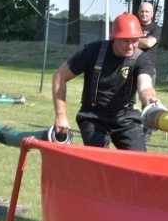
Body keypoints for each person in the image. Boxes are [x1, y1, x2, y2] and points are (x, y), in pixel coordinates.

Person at [52, 13, 160, 151]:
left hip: (125, 118)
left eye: (134, 40)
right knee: (100, 162)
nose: (131, 46)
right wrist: (61, 115)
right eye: (125, 40)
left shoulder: (142, 59)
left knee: (139, 163)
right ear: (113, 37)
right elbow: (60, 76)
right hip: (93, 117)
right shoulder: (92, 51)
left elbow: (145, 86)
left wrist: (150, 98)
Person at [137, 1, 162, 146]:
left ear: (152, 13)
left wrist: (131, 39)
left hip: (147, 68)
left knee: (147, 100)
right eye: (142, 11)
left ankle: (147, 132)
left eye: (147, 11)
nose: (144, 14)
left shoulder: (156, 28)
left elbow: (148, 44)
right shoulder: (134, 25)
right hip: (130, 64)